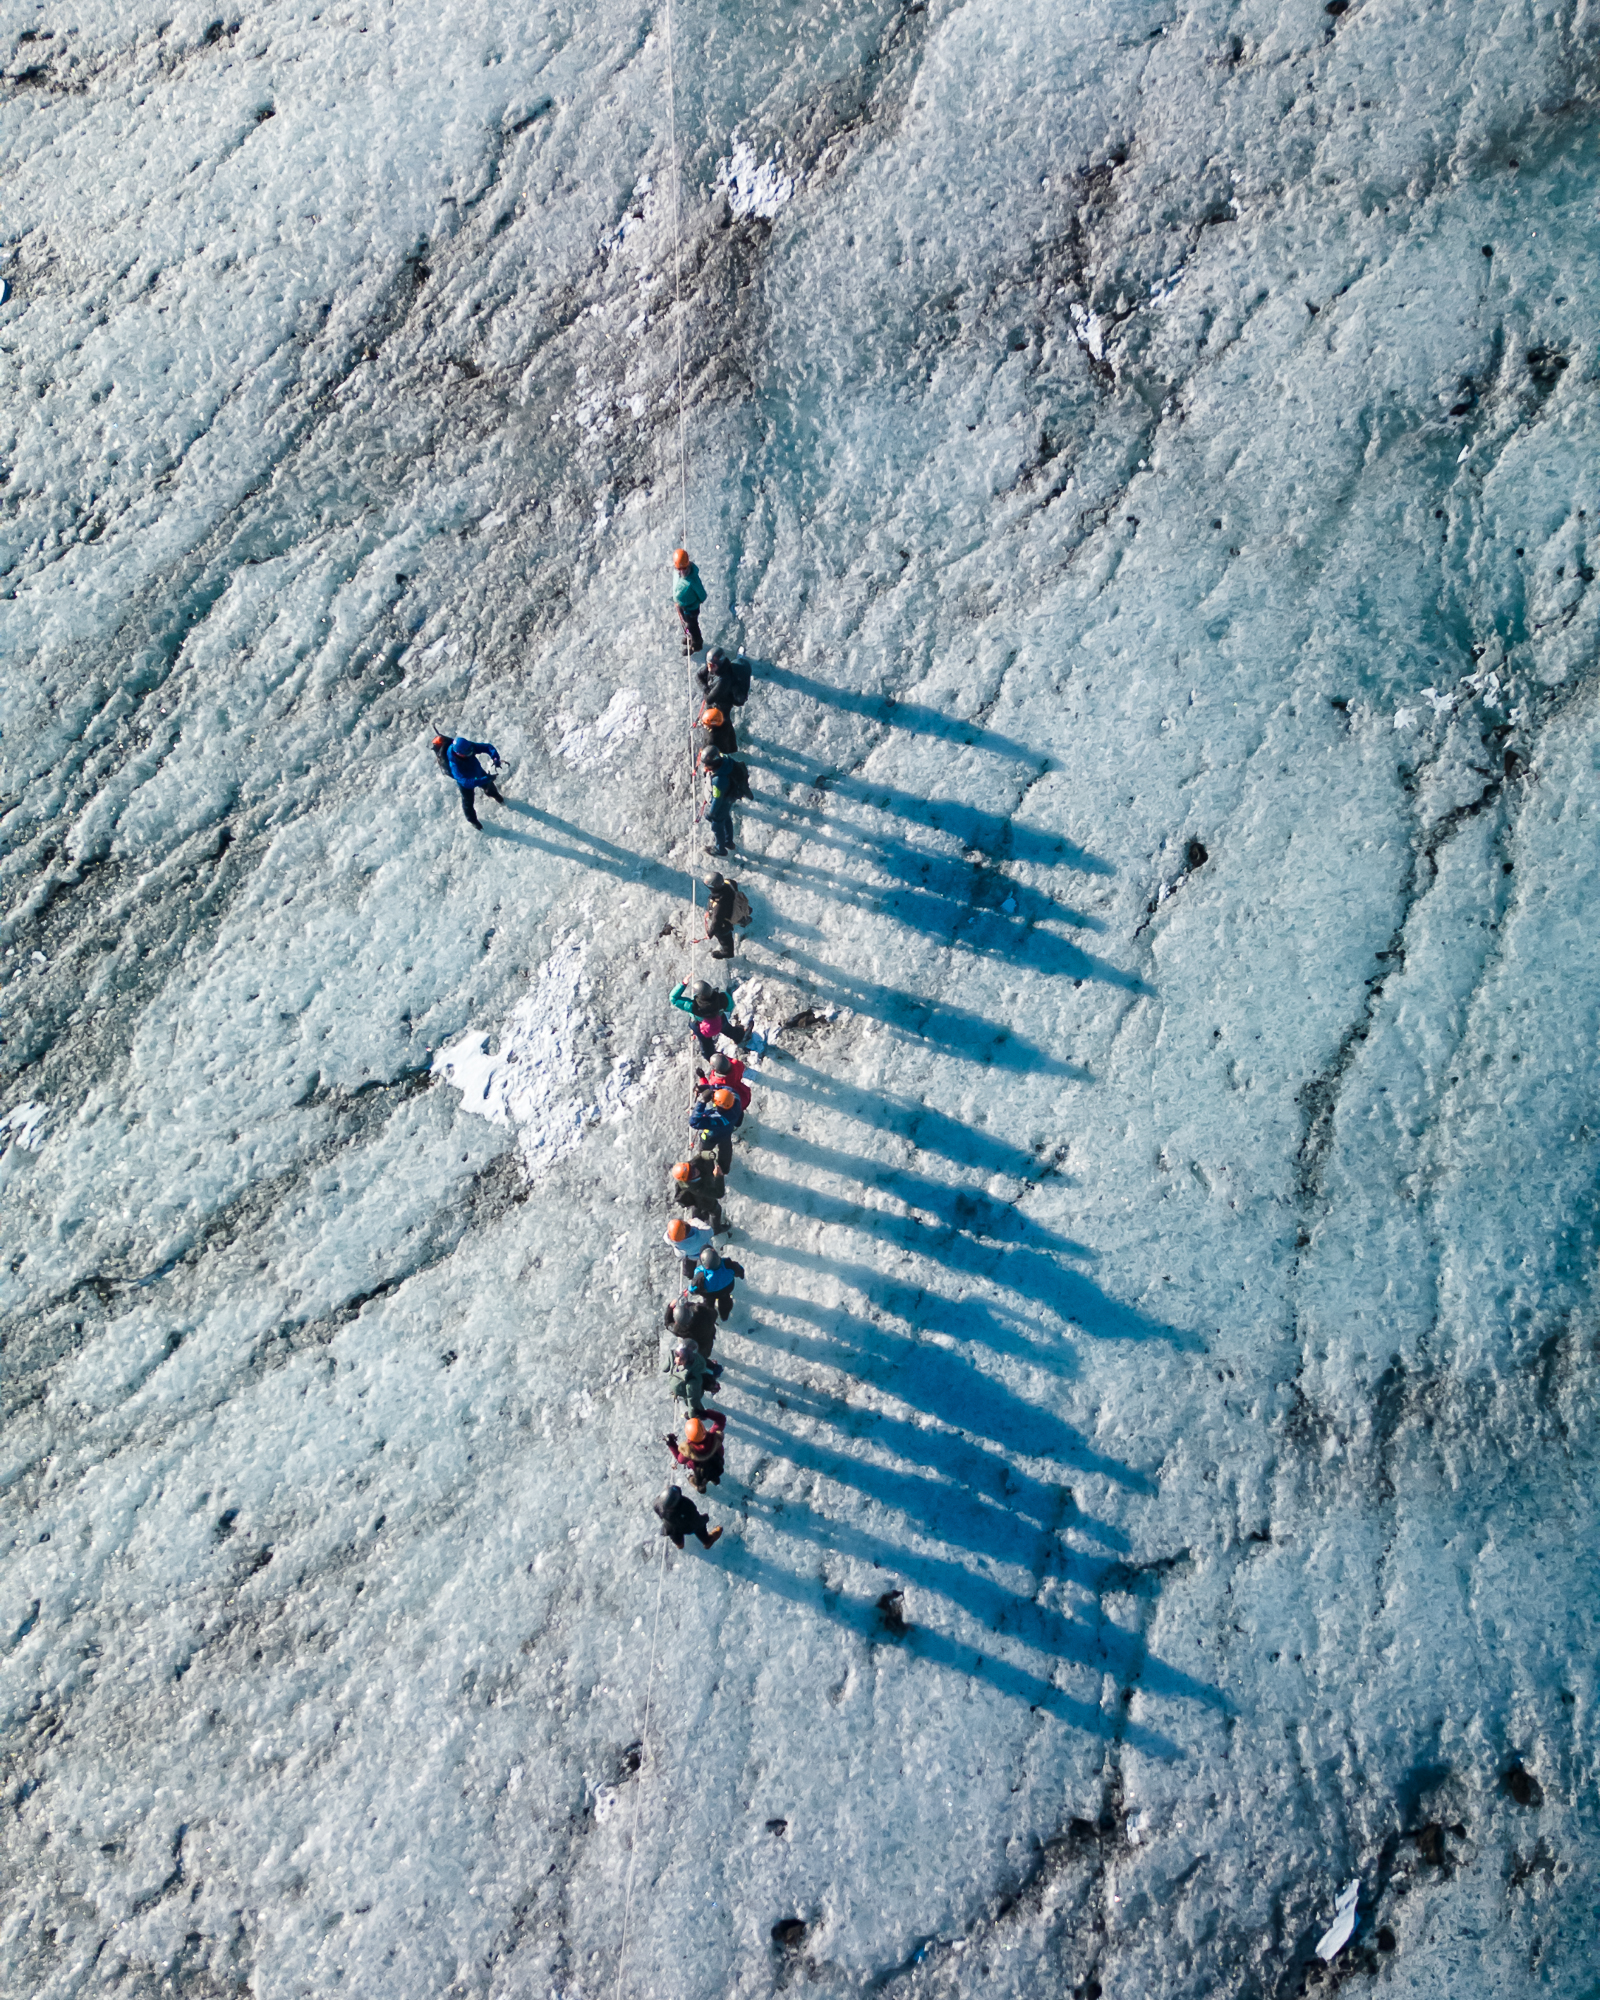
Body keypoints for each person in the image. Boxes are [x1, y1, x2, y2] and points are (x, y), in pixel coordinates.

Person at [434, 733, 505, 830]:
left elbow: (487, 747)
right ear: (459, 753)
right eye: (468, 753)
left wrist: (495, 758)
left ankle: (496, 796)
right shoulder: (454, 765)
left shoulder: (468, 747)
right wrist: (485, 779)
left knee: (490, 787)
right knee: (468, 803)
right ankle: (473, 820)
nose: (472, 752)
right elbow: (466, 782)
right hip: (467, 783)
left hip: (478, 772)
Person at [665, 1411, 726, 1492]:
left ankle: (700, 1487)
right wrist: (704, 1413)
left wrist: (671, 1444)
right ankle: (715, 1479)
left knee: (697, 1479)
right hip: (716, 1462)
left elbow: (680, 1460)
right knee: (713, 1472)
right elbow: (721, 1419)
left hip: (700, 1470)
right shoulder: (714, 1436)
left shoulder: (689, 1450)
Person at [689, 1087, 743, 1173]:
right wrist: (711, 1088)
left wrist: (701, 1103)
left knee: (705, 1153)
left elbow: (694, 1123)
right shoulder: (735, 1103)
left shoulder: (718, 1119)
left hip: (711, 1137)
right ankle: (724, 1169)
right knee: (725, 1151)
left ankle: (708, 1170)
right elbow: (729, 1089)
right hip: (726, 1133)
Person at [654, 1484, 722, 1550]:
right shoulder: (687, 1506)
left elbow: (657, 1510)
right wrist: (704, 1519)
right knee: (699, 1528)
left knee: (675, 1536)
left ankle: (680, 1545)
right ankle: (707, 1541)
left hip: (671, 1528)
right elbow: (696, 1520)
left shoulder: (658, 1504)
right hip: (687, 1527)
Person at [665, 1336, 721, 1414]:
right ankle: (713, 1381)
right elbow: (664, 1368)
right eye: (677, 1354)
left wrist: (694, 1415)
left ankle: (712, 1386)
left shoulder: (693, 1380)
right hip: (695, 1376)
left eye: (681, 1358)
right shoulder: (696, 1359)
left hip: (683, 1389)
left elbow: (693, 1399)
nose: (676, 1358)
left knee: (693, 1395)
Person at [691, 1242, 745, 1322]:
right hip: (726, 1290)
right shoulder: (728, 1265)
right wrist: (741, 1275)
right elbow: (740, 1270)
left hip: (709, 1295)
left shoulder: (700, 1275)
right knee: (725, 1302)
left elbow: (693, 1289)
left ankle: (710, 1319)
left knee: (708, 1306)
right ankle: (724, 1315)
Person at [671, 1157, 726, 1230]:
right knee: (716, 1211)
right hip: (707, 1202)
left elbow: (699, 1157)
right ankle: (716, 1229)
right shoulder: (698, 1188)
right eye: (692, 1174)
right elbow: (719, 1194)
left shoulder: (686, 1173)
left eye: (692, 1168)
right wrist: (719, 1176)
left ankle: (696, 1223)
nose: (695, 1170)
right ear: (689, 1179)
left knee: (697, 1211)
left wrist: (708, 1154)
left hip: (696, 1200)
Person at [673, 548, 707, 655]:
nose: (682, 571)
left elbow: (702, 595)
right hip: (681, 606)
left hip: (691, 609)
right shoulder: (678, 573)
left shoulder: (693, 580)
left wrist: (695, 603)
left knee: (692, 626)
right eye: (680, 568)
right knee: (685, 623)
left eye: (684, 568)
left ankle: (696, 644)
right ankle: (689, 636)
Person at [665, 1292, 719, 1360]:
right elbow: (714, 1314)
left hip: (696, 1346)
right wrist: (693, 1305)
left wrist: (670, 1308)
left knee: (701, 1356)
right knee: (706, 1349)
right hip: (706, 1342)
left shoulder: (679, 1329)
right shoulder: (703, 1316)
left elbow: (668, 1324)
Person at [703, 749, 737, 857]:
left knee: (717, 826)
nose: (705, 767)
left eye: (707, 765)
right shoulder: (726, 761)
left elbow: (717, 798)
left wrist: (711, 813)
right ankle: (729, 842)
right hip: (728, 799)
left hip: (721, 803)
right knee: (726, 818)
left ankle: (720, 849)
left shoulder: (718, 781)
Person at [704, 873, 739, 960]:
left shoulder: (720, 904)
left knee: (722, 933)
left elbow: (716, 922)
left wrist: (710, 933)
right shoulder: (728, 884)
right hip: (728, 906)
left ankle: (728, 952)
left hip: (724, 922)